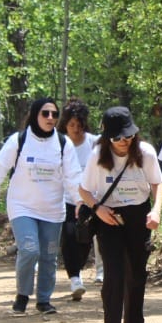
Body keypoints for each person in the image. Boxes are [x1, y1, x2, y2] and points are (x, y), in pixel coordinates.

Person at [0, 97, 76, 316]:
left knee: (49, 255)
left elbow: (73, 177)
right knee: (30, 249)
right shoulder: (19, 140)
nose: (50, 118)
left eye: (54, 114)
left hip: (52, 208)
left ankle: (44, 300)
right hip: (22, 206)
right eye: (45, 113)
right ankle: (22, 295)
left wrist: (82, 202)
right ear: (35, 115)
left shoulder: (63, 143)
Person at [80, 107, 162, 323]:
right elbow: (83, 191)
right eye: (117, 138)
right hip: (109, 217)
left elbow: (157, 185)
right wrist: (98, 209)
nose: (123, 142)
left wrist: (156, 211)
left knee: (136, 274)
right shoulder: (97, 156)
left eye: (127, 136)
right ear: (107, 137)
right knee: (114, 275)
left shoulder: (146, 153)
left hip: (139, 215)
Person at [57, 98, 99, 300]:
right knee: (69, 236)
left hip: (90, 199)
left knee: (84, 241)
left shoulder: (93, 142)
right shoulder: (58, 142)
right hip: (64, 199)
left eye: (79, 125)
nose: (75, 129)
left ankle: (79, 268)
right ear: (65, 124)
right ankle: (75, 279)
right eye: (71, 125)